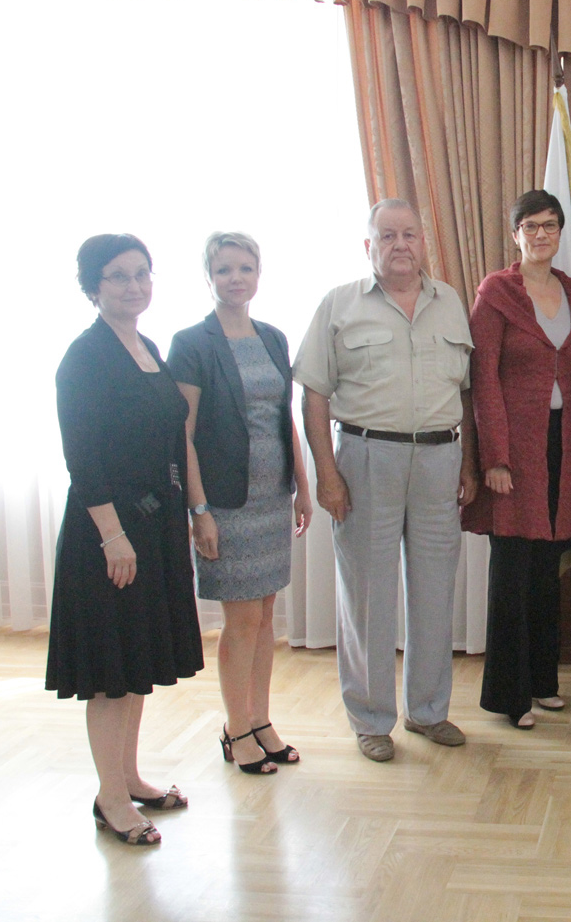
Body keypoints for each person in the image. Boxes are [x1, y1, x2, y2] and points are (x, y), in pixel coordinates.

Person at [294, 199, 477, 763]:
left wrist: (467, 463)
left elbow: (465, 394)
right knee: (368, 593)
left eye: (410, 235)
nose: (400, 245)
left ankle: (428, 712)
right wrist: (327, 474)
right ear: (368, 245)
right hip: (366, 459)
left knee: (433, 588)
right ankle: (371, 719)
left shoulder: (451, 303)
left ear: (424, 241)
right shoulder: (339, 305)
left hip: (440, 461)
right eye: (388, 235)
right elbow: (314, 396)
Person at [46, 234, 203, 846]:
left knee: (136, 660)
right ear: (92, 288)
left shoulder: (147, 346)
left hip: (154, 525)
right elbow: (82, 459)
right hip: (108, 533)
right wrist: (113, 536)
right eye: (118, 277)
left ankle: (130, 776)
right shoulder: (83, 359)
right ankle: (110, 798)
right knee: (111, 670)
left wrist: (190, 513)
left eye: (142, 274)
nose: (134, 286)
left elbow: (170, 437)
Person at [167, 232, 312, 773]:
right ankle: (235, 729)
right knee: (241, 621)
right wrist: (198, 510)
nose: (235, 278)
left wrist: (301, 485)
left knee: (266, 613)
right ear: (209, 277)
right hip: (226, 501)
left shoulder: (273, 338)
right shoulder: (192, 343)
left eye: (245, 268)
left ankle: (261, 720)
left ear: (258, 275)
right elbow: (183, 432)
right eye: (224, 269)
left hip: (273, 496)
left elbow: (285, 417)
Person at [462, 191, 571, 729]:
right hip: (513, 450)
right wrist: (494, 457)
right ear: (515, 233)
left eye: (550, 226)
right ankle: (509, 696)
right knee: (513, 570)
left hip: (563, 444)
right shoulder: (496, 293)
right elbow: (482, 379)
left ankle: (543, 680)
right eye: (530, 226)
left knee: (546, 569)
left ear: (561, 233)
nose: (541, 235)